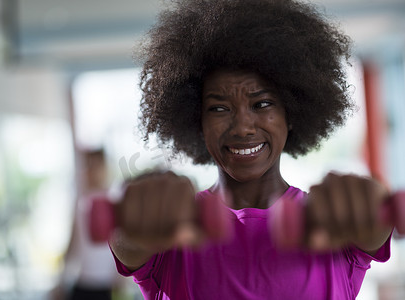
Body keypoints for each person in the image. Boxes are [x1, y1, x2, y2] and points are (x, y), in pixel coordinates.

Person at [109, 0, 393, 299]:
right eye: (219, 108)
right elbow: (126, 241)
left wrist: (369, 199)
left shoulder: (332, 223)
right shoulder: (170, 228)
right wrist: (136, 213)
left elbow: (375, 227)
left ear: (292, 113)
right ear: (198, 121)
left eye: (262, 104)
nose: (243, 126)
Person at [53, 148, 123, 300]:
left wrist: (122, 277)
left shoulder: (115, 201)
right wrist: (60, 280)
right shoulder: (80, 203)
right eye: (88, 165)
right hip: (83, 282)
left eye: (96, 165)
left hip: (108, 285)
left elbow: (123, 241)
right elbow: (72, 244)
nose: (92, 170)